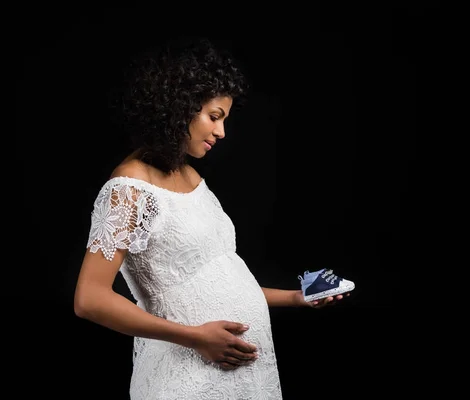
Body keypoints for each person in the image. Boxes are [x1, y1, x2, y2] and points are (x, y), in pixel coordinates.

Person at [73, 37, 351, 399]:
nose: (221, 132)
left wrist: (295, 298)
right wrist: (195, 338)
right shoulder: (129, 189)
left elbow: (215, 277)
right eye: (214, 117)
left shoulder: (190, 176)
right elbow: (89, 298)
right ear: (178, 107)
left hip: (244, 374)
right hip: (185, 371)